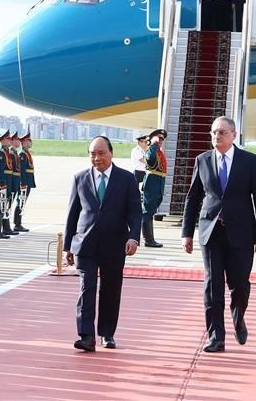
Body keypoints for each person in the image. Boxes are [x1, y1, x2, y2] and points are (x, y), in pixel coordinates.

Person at [182, 116, 256, 353]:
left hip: (242, 233)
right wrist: (186, 233)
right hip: (210, 233)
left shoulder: (250, 161)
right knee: (213, 285)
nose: (216, 137)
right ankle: (216, 337)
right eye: (213, 133)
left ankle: (238, 316)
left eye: (221, 132)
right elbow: (193, 198)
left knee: (239, 285)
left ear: (233, 134)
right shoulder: (202, 160)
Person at [64, 136, 141, 352]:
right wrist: (68, 245)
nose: (96, 158)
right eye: (92, 154)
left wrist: (133, 237)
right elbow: (72, 213)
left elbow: (135, 212)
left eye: (100, 153)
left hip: (114, 244)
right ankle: (86, 335)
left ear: (111, 153)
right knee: (86, 287)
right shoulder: (80, 178)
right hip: (85, 244)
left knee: (110, 289)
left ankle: (107, 333)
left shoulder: (126, 179)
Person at [141, 128, 167, 247]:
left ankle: (149, 239)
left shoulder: (158, 151)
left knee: (150, 211)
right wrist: (154, 144)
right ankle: (148, 240)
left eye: (161, 139)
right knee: (147, 211)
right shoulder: (151, 150)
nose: (160, 141)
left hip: (158, 183)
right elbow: (151, 160)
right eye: (158, 138)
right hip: (152, 183)